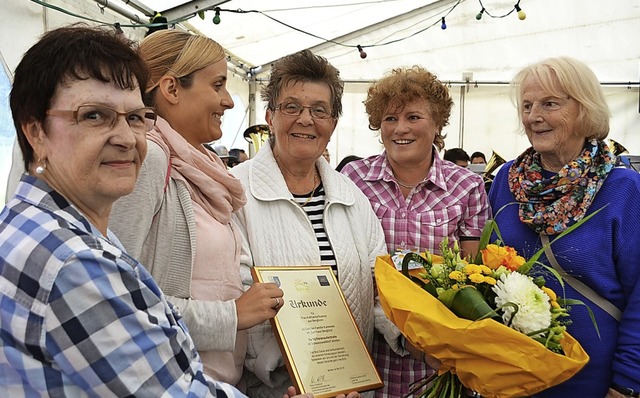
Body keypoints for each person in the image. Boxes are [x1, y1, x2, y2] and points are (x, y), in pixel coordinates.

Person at [0, 24, 246, 397]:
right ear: (36, 132)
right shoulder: (72, 263)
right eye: (94, 116)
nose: (126, 137)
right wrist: (233, 316)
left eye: (135, 117)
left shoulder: (54, 226)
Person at [108, 29, 282, 388]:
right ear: (172, 89)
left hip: (211, 380)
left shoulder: (202, 165)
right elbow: (118, 299)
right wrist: (233, 314)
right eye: (218, 85)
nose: (229, 101)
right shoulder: (149, 158)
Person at [230, 49, 398, 398]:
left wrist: (412, 336)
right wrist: (286, 370)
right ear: (270, 116)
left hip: (351, 389)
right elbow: (234, 292)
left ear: (333, 123)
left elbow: (378, 287)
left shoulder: (352, 198)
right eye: (292, 107)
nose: (306, 119)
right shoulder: (235, 192)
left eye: (319, 110)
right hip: (272, 389)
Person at [488, 56, 640, 397]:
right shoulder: (506, 180)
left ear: (585, 110)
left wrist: (627, 383)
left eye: (550, 104)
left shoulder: (625, 189)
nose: (533, 117)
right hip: (513, 376)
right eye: (527, 106)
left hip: (594, 382)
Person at [341, 66, 490, 397]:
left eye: (413, 117)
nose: (400, 129)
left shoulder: (467, 186)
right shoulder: (353, 178)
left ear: (437, 123)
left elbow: (473, 279)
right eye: (390, 119)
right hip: (365, 355)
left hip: (435, 365)